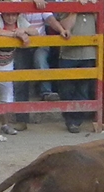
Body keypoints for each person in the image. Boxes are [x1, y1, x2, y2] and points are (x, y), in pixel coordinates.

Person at [12, 0, 70, 132]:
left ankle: (46, 91)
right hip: (22, 43)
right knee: (21, 80)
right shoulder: (20, 2)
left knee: (40, 60)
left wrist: (61, 30)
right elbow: (12, 15)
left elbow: (50, 19)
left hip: (39, 41)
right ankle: (22, 119)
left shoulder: (40, 3)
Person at [0, 11, 38, 135]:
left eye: (13, 15)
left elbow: (35, 31)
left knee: (7, 89)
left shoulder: (20, 20)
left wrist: (23, 31)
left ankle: (6, 124)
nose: (11, 18)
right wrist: (17, 34)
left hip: (6, 59)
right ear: (3, 15)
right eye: (8, 15)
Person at [57, 0, 97, 133]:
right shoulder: (67, 3)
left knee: (83, 90)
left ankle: (75, 121)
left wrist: (92, 6)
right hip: (69, 54)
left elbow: (101, 23)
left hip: (89, 53)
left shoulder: (94, 3)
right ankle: (69, 119)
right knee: (66, 89)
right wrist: (76, 8)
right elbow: (65, 26)